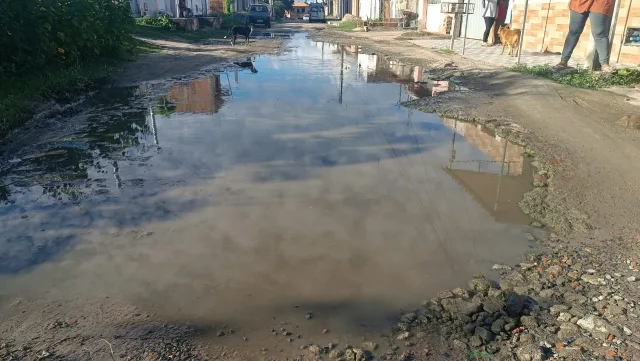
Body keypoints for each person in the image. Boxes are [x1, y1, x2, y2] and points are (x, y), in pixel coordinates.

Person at [553, 0, 615, 72]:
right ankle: (563, 61)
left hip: (601, 2)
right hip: (579, 2)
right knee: (574, 31)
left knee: (600, 33)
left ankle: (604, 64)